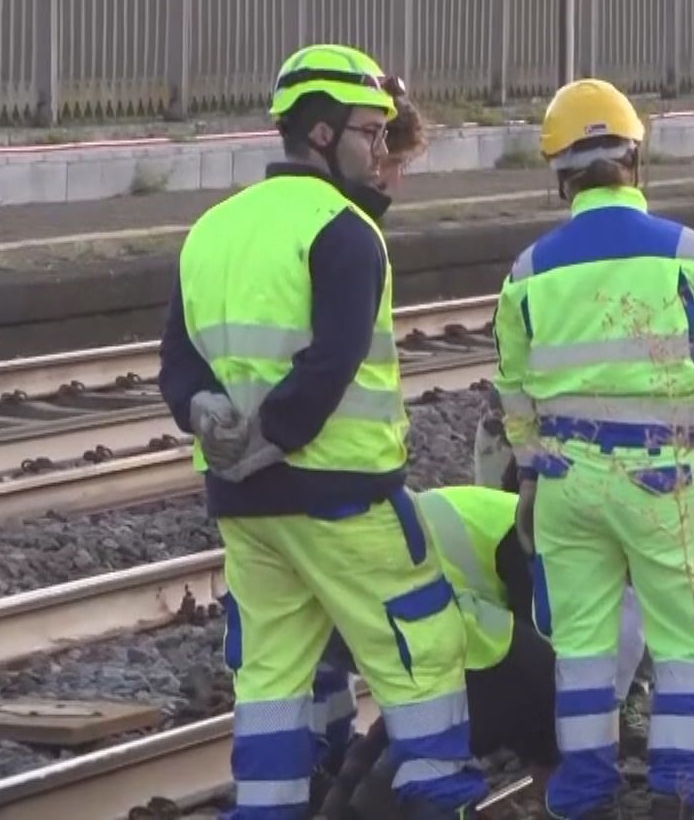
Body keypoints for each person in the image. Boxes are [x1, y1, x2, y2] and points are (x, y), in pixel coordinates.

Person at [157, 43, 485, 819]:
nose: (379, 150)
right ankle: (439, 802)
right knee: (423, 648)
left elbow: (178, 361)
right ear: (321, 134)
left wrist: (206, 416)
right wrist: (275, 431)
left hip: (246, 506)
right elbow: (333, 360)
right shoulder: (346, 232)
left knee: (271, 680)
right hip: (344, 497)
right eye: (370, 133)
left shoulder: (211, 230)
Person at [493, 78, 694, 819]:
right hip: (664, 481)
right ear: (635, 159)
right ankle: (681, 794)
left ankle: (583, 796)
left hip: (566, 485)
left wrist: (530, 476)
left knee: (583, 649)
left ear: (560, 174)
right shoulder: (689, 254)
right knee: (691, 640)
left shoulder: (527, 272)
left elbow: (514, 393)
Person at [318, 486, 562, 819]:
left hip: (471, 644)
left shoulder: (520, 536)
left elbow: (539, 665)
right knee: (400, 763)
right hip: (468, 640)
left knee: (410, 766)